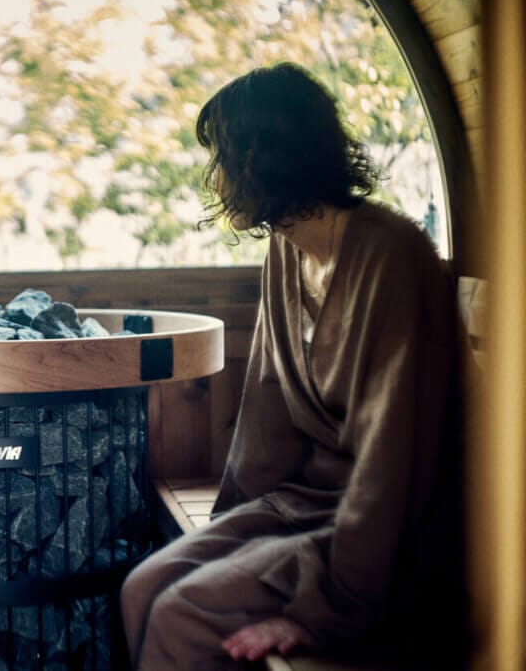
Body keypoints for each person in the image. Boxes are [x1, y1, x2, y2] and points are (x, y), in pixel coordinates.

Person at [120, 62, 464, 669]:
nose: (215, 180)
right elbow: (265, 412)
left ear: (264, 158)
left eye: (221, 159)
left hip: (392, 536)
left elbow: (394, 463)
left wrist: (322, 610)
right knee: (140, 588)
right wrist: (230, 531)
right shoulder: (287, 251)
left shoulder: (393, 257)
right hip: (305, 504)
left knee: (183, 616)